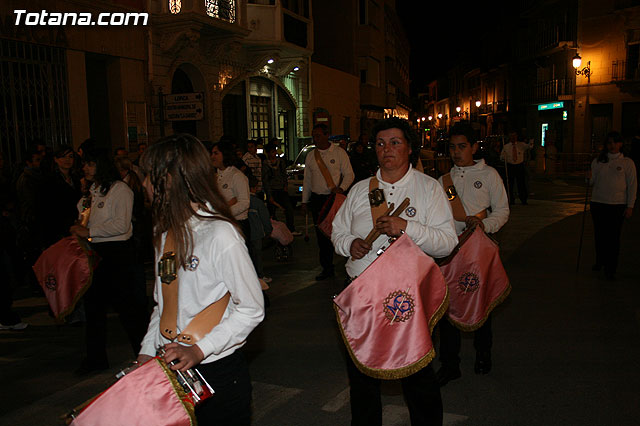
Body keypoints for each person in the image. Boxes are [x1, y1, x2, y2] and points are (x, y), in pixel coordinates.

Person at [332, 117, 458, 426]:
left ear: (410, 148)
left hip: (406, 299)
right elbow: (337, 232)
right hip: (361, 294)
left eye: (395, 143)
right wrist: (351, 244)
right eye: (380, 143)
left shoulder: (429, 188)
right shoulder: (360, 190)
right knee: (362, 378)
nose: (386, 149)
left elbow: (447, 242)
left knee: (417, 376)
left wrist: (408, 227)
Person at [136, 134, 264, 425]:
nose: (143, 183)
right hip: (170, 365)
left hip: (217, 371)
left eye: (148, 175)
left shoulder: (220, 234)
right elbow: (162, 305)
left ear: (168, 179)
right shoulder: (165, 231)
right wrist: (146, 353)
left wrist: (198, 349)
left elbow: (252, 308)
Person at [436, 122, 510, 386]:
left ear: (474, 147)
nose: (456, 152)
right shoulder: (443, 180)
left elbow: (502, 211)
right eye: (452, 147)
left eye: (462, 146)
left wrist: (485, 224)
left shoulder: (489, 175)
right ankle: (450, 363)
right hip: (449, 251)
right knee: (447, 307)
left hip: (478, 249)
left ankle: (483, 353)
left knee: (481, 303)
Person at [70, 149, 149, 374]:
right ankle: (95, 359)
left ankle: (145, 358)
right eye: (84, 164)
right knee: (93, 309)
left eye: (90, 164)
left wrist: (89, 231)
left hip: (118, 255)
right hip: (95, 253)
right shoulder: (92, 191)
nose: (85, 168)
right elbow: (83, 215)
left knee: (130, 312)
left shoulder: (120, 189)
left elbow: (121, 226)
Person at [302, 123, 354, 280]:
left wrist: (342, 188)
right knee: (322, 235)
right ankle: (327, 268)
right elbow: (307, 181)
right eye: (313, 136)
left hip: (334, 198)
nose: (315, 139)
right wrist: (305, 201)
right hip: (318, 199)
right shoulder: (311, 155)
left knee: (340, 232)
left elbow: (349, 174)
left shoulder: (339, 153)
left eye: (318, 135)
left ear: (327, 135)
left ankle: (348, 268)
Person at [590, 131, 637, 281]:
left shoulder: (627, 163)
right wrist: (588, 178)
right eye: (609, 143)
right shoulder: (598, 161)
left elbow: (632, 185)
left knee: (613, 237)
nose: (612, 146)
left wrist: (630, 205)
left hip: (617, 205)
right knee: (600, 235)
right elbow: (591, 182)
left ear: (620, 144)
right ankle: (600, 261)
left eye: (615, 143)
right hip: (598, 202)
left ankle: (611, 267)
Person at [43, 146, 82, 247]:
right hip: (57, 228)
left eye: (70, 156)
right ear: (56, 159)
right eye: (63, 157)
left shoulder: (76, 179)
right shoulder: (49, 181)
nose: (67, 160)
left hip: (75, 226)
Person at [262, 143, 300, 236]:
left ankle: (291, 228)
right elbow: (265, 180)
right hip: (272, 190)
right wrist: (269, 195)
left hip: (281, 190)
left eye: (275, 151)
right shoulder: (266, 164)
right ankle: (272, 231)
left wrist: (285, 185)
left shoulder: (280, 162)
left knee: (289, 209)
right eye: (272, 152)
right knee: (272, 213)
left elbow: (284, 174)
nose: (274, 153)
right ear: (268, 153)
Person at [501, 131, 531, 205]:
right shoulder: (506, 146)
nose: (513, 138)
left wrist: (530, 140)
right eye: (511, 136)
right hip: (510, 166)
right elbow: (501, 157)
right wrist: (504, 158)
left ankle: (523, 199)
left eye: (514, 136)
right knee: (510, 184)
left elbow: (529, 146)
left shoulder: (521, 145)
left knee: (521, 183)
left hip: (519, 165)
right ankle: (511, 199)